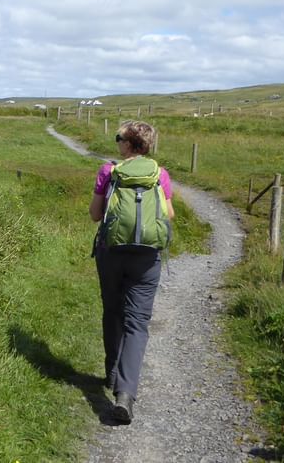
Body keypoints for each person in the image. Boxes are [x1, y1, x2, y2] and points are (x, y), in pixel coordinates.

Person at [88, 120, 175, 423]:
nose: (117, 143)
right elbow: (169, 214)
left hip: (111, 252)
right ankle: (125, 394)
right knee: (137, 322)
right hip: (148, 257)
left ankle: (112, 372)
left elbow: (96, 215)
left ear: (129, 145)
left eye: (118, 139)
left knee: (112, 310)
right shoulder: (160, 174)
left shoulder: (108, 172)